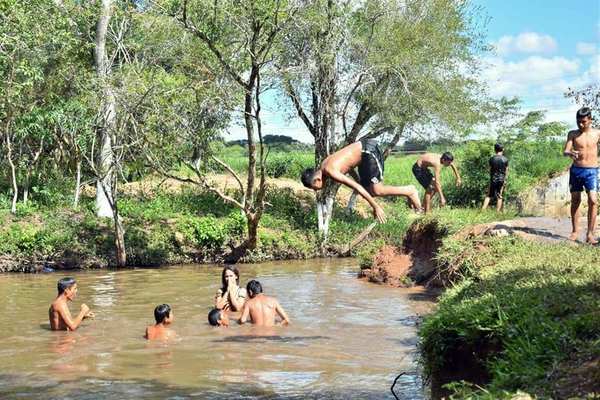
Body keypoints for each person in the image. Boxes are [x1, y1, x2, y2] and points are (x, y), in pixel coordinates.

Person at [301, 139, 422, 224]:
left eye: (314, 188)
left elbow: (357, 187)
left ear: (317, 180)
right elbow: (348, 166)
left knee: (376, 190)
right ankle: (408, 194)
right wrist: (360, 182)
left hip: (368, 151)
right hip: (363, 155)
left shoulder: (330, 171)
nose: (316, 190)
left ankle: (410, 191)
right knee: (370, 191)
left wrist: (376, 207)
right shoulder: (324, 166)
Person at [563, 107, 599, 244]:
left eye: (583, 121)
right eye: (578, 122)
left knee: (593, 200)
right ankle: (574, 231)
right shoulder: (572, 134)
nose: (581, 125)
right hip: (576, 171)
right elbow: (565, 151)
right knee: (576, 200)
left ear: (590, 120)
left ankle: (590, 234)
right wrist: (570, 153)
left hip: (592, 171)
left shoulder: (597, 133)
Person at [482, 143, 509, 212]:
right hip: (501, 179)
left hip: (493, 179)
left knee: (488, 195)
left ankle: (482, 210)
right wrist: (505, 180)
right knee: (499, 195)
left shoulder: (492, 159)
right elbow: (506, 171)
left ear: (495, 150)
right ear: (503, 149)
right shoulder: (505, 159)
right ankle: (497, 212)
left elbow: (489, 169)